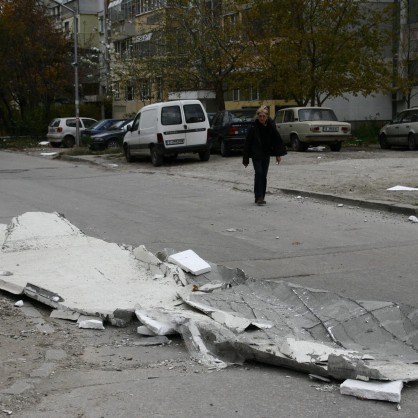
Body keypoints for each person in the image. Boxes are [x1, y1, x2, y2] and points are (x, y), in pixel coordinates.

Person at [242, 105, 287, 205]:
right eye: (260, 116)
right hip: (256, 154)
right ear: (258, 116)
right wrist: (245, 159)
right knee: (259, 173)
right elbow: (247, 143)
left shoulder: (270, 126)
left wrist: (278, 154)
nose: (262, 118)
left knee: (264, 175)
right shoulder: (253, 126)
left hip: (265, 154)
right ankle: (258, 197)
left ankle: (261, 196)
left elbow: (276, 141)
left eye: (264, 116)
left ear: (267, 116)